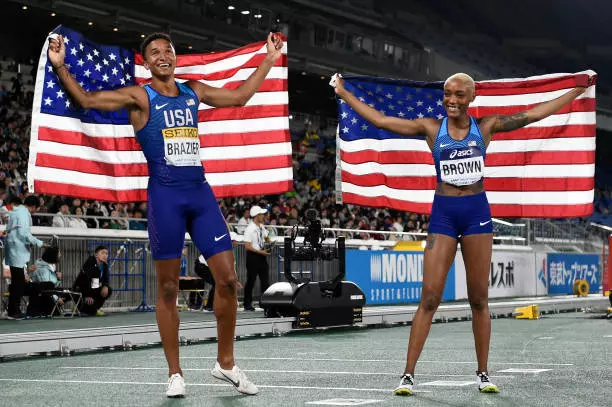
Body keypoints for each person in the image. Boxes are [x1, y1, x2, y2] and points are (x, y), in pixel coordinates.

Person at [48, 30, 283, 397]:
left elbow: (239, 97)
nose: (163, 56)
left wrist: (268, 59)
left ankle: (226, 364)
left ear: (175, 57)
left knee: (227, 279)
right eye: (155, 52)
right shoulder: (139, 95)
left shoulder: (194, 90)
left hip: (200, 194)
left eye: (168, 51)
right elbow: (86, 99)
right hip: (165, 197)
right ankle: (175, 373)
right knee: (169, 287)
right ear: (146, 62)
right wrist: (61, 69)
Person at [331, 72, 593, 396]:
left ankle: (483, 373)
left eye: (458, 95)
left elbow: (535, 114)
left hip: (476, 215)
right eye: (447, 94)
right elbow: (382, 120)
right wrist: (344, 92)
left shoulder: (486, 127)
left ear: (471, 98)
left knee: (479, 299)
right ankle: (407, 375)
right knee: (429, 297)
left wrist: (576, 92)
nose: (451, 100)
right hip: (443, 213)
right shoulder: (431, 128)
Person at [4, 195, 48, 319]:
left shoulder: (16, 211)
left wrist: (28, 243)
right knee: (18, 283)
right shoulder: (23, 214)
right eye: (37, 208)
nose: (36, 211)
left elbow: (15, 232)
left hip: (13, 249)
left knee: (17, 282)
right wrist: (39, 243)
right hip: (17, 251)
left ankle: (13, 311)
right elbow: (24, 233)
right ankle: (14, 312)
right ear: (33, 206)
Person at [243, 205, 270, 311]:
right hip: (253, 257)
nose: (263, 216)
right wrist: (261, 252)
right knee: (251, 281)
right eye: (261, 214)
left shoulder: (262, 226)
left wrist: (269, 242)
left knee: (265, 282)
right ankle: (247, 304)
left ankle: (265, 303)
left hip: (262, 257)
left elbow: (266, 238)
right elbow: (247, 246)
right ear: (256, 215)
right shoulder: (249, 229)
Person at [72, 245, 112, 316]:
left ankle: (95, 308)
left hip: (93, 287)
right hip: (81, 290)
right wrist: (87, 295)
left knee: (108, 290)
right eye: (102, 253)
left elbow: (105, 279)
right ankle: (78, 306)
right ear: (96, 255)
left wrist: (105, 286)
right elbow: (85, 280)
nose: (105, 255)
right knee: (90, 311)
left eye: (106, 253)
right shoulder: (90, 261)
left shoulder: (104, 265)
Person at [28, 246, 66, 317]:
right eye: (58, 254)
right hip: (44, 296)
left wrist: (58, 279)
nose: (60, 255)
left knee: (70, 292)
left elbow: (54, 285)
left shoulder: (51, 265)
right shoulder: (42, 269)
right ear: (52, 255)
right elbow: (46, 289)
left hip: (50, 292)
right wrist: (56, 298)